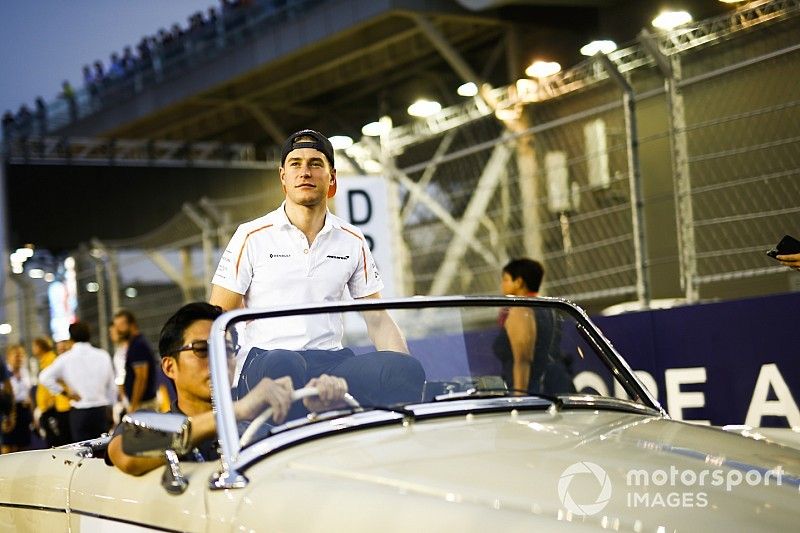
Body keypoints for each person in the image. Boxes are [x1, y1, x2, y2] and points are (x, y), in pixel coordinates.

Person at [209, 129, 424, 409]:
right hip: (266, 360)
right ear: (283, 177)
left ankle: (322, 404)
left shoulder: (352, 239)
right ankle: (311, 407)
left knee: (407, 369)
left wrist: (400, 368)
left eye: (315, 164)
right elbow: (217, 319)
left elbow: (378, 320)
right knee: (284, 363)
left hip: (330, 363)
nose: (305, 172)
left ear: (332, 176)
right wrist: (219, 399)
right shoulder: (251, 235)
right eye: (295, 164)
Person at [107, 302, 348, 476]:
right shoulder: (148, 427)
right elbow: (127, 453)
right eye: (202, 350)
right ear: (170, 367)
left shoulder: (259, 430)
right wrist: (235, 411)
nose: (219, 361)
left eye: (227, 350)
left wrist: (328, 416)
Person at [493, 258, 574, 395]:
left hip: (530, 393)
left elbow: (523, 361)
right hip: (551, 389)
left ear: (518, 282)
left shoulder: (521, 310)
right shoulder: (549, 308)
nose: (502, 285)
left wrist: (520, 399)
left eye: (506, 279)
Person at [39, 321, 116, 442]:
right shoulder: (103, 355)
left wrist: (65, 393)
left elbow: (44, 377)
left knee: (82, 455)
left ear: (71, 338)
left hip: (80, 412)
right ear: (89, 335)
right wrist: (111, 408)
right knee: (102, 452)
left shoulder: (65, 358)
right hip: (101, 411)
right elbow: (112, 387)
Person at [113, 310, 159, 413]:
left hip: (143, 405)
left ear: (132, 324)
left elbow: (141, 378)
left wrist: (134, 406)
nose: (118, 330)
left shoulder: (138, 345)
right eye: (117, 326)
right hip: (141, 404)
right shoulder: (135, 344)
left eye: (121, 325)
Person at [31, 337, 72, 447]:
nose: (32, 349)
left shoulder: (51, 359)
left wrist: (51, 401)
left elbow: (49, 381)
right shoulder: (45, 361)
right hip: (56, 407)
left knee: (60, 442)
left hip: (58, 407)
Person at [1, 344, 33, 453]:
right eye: (16, 355)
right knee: (7, 445)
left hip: (24, 411)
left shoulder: (25, 372)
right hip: (10, 411)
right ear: (8, 357)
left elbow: (28, 393)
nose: (19, 358)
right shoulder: (4, 374)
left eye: (21, 355)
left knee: (24, 445)